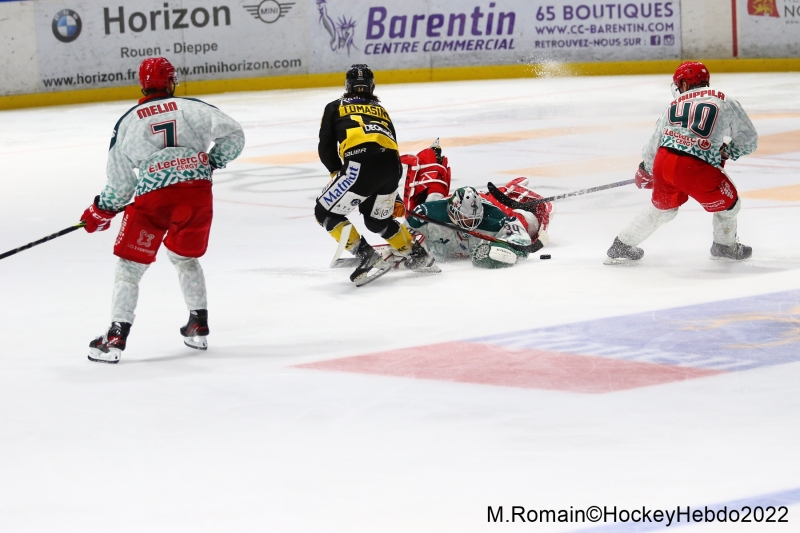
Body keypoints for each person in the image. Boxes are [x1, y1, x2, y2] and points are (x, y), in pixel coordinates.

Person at [81, 57, 245, 363]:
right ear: (172, 83)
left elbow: (120, 184)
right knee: (186, 258)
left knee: (130, 268)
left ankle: (116, 336)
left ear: (142, 84)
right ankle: (198, 323)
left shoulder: (128, 122)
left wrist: (101, 210)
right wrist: (212, 161)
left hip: (154, 199)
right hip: (197, 195)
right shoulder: (193, 107)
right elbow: (235, 134)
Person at [606, 61, 758, 264]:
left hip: (664, 162)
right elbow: (748, 140)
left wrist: (647, 170)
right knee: (730, 205)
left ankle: (622, 244)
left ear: (685, 85)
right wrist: (727, 153)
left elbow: (653, 145)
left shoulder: (674, 105)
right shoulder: (725, 100)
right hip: (695, 167)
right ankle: (724, 245)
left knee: (662, 210)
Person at [315, 64, 438, 283]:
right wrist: (394, 194)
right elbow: (393, 148)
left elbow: (326, 147)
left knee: (325, 212)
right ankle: (416, 255)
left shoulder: (335, 106)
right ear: (371, 87)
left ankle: (366, 254)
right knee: (376, 221)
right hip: (391, 167)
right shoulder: (381, 110)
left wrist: (336, 171)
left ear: (347, 86)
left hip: (360, 164)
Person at [402, 141, 552, 269]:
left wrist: (504, 250)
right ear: (453, 212)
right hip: (453, 202)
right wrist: (410, 243)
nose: (470, 223)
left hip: (485, 202)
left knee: (528, 221)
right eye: (466, 218)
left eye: (474, 219)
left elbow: (520, 239)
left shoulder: (494, 218)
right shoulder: (428, 213)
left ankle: (508, 194)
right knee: (431, 199)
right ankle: (431, 159)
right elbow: (404, 231)